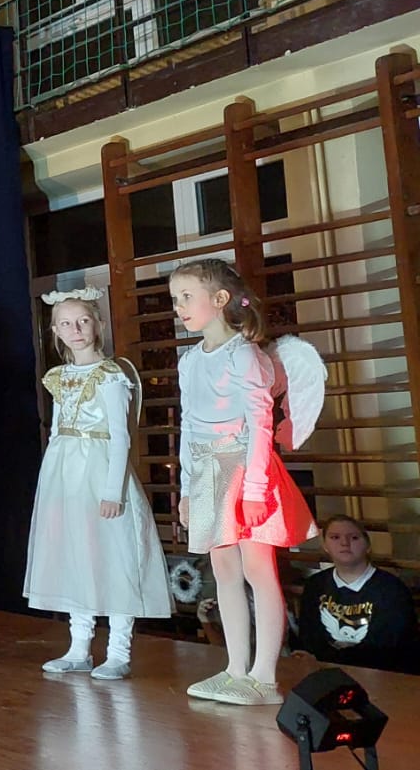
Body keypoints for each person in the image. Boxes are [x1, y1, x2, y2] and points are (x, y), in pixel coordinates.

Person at [170, 259, 316, 706]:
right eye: (175, 299)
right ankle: (235, 669)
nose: (179, 307)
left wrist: (254, 491)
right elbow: (189, 426)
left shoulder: (243, 354)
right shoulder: (190, 361)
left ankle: (264, 677)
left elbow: (259, 423)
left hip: (247, 470)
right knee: (225, 571)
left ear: (219, 299)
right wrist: (188, 490)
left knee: (259, 569)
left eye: (187, 297)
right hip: (209, 472)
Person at [25, 287, 170, 680]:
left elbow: (120, 436)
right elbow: (58, 430)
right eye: (66, 323)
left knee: (114, 558)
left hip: (101, 469)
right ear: (55, 331)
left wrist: (112, 491)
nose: (76, 329)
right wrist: (53, 485)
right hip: (65, 473)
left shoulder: (111, 375)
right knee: (77, 556)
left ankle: (118, 651)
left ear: (99, 324)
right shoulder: (59, 377)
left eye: (83, 321)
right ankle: (79, 647)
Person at [292, 515, 420, 675]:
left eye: (354, 537)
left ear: (367, 545)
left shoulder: (392, 589)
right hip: (326, 672)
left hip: (380, 674)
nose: (344, 543)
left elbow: (385, 650)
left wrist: (328, 659)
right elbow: (309, 638)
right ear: (325, 546)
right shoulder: (315, 585)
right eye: (335, 537)